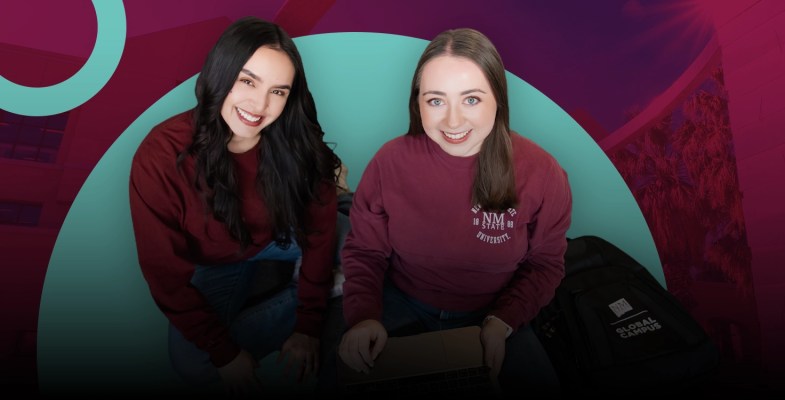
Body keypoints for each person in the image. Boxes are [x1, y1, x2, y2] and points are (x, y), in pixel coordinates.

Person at [319, 28, 572, 394]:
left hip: (496, 313)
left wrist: (502, 321)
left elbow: (546, 265)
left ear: (498, 100)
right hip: (400, 302)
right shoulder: (390, 162)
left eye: (471, 100)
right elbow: (366, 252)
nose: (453, 123)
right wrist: (363, 318)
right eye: (436, 101)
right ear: (417, 103)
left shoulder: (543, 173)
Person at [128, 17, 344, 396]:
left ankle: (331, 262)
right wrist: (226, 355)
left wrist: (308, 327)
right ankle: (323, 285)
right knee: (193, 366)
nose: (259, 105)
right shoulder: (160, 155)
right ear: (220, 72)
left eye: (278, 91)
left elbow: (319, 229)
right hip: (219, 261)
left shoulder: (293, 138)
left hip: (285, 233)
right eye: (247, 81)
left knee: (374, 242)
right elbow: (166, 279)